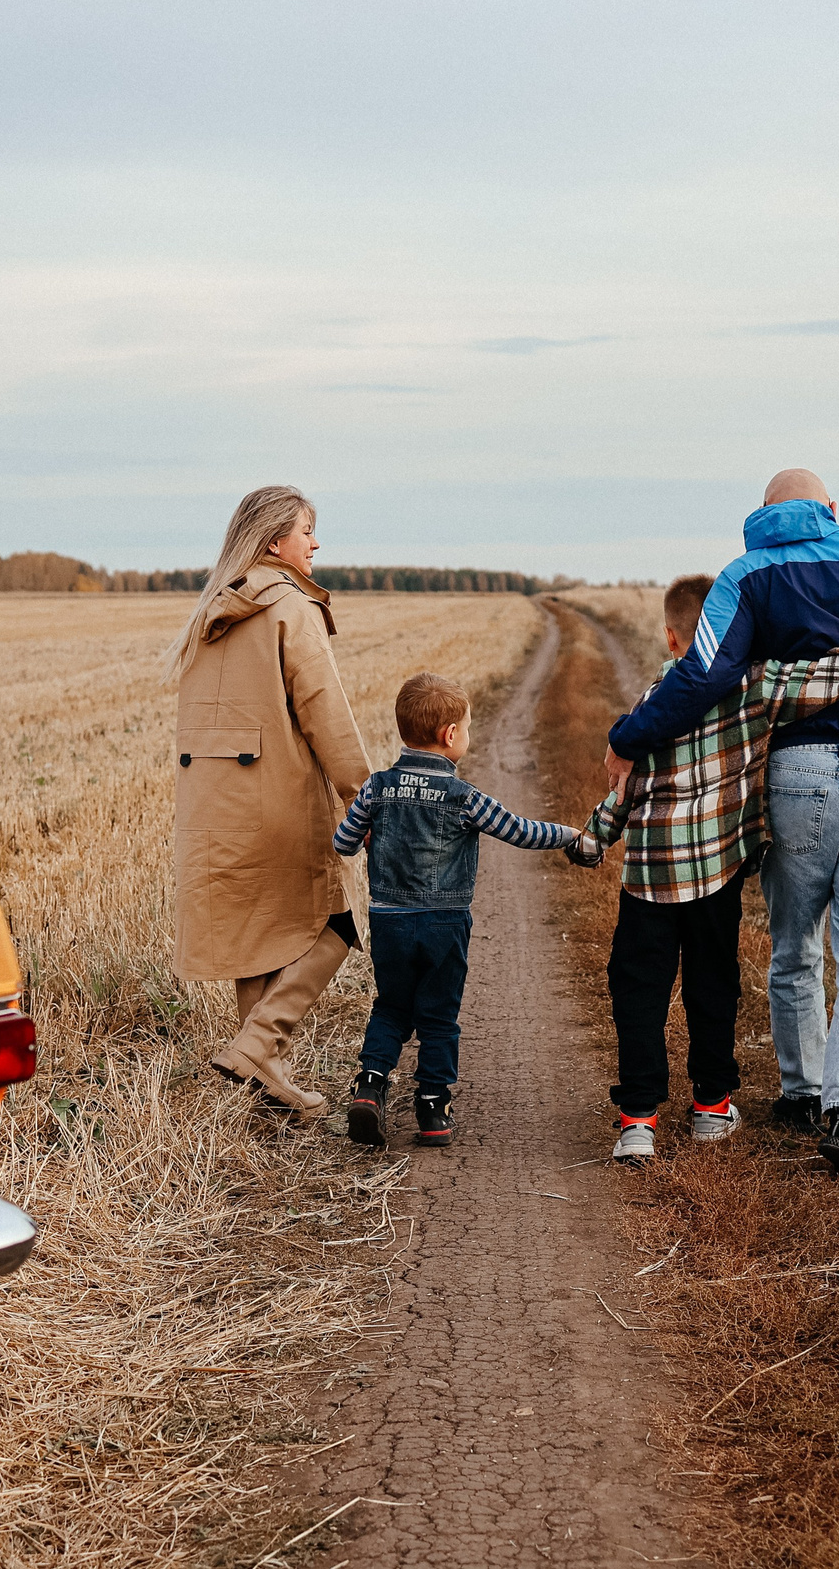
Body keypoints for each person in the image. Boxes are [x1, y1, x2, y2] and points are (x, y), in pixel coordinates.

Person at [604, 469, 839, 1177]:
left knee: (795, 941)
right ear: (832, 508)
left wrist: (628, 737)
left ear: (764, 514)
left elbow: (704, 676)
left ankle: (800, 1092)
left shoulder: (747, 574)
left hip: (797, 774)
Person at [169, 485, 373, 1117]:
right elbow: (324, 711)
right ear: (273, 541)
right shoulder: (289, 606)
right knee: (338, 921)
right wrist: (364, 797)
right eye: (307, 530)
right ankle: (260, 1046)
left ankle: (264, 1080)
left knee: (258, 931)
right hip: (277, 801)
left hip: (212, 806)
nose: (316, 544)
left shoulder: (211, 610)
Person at [334, 672, 583, 1148]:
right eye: (466, 728)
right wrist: (570, 834)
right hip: (444, 923)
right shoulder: (464, 798)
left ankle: (369, 1087)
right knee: (439, 1016)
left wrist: (369, 836)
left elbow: (343, 843)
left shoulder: (376, 788)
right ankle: (432, 1108)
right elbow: (521, 830)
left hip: (389, 921)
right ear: (451, 736)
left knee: (390, 1007)